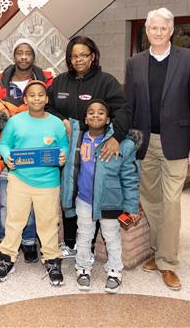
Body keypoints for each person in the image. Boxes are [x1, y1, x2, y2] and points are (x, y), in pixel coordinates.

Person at [125, 7, 190, 290]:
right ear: (147, 31)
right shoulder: (134, 62)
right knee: (151, 201)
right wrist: (127, 140)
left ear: (171, 31)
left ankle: (168, 263)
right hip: (145, 143)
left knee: (171, 203)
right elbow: (130, 105)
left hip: (178, 143)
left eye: (163, 28)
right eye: (153, 28)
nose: (158, 33)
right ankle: (159, 253)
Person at [46, 35, 130, 258]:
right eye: (74, 56)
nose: (78, 60)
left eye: (83, 55)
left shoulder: (106, 82)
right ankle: (71, 243)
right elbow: (50, 106)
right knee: (70, 193)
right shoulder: (60, 81)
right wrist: (62, 119)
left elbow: (123, 111)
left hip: (95, 148)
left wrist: (116, 138)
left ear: (93, 57)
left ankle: (89, 246)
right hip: (68, 146)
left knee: (90, 193)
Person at [0, 38, 54, 264]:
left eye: (28, 53)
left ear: (34, 57)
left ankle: (29, 242)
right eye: (19, 53)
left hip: (37, 152)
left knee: (33, 203)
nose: (24, 57)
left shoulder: (46, 81)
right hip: (9, 151)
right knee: (7, 203)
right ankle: (6, 242)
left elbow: (51, 112)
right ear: (14, 56)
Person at [0, 80, 68, 286]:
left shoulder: (56, 123)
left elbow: (63, 146)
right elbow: (5, 144)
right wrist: (8, 157)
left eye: (40, 95)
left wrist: (63, 156)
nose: (36, 98)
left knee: (48, 223)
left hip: (48, 182)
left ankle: (52, 260)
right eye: (32, 95)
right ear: (25, 99)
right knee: (15, 221)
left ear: (46, 98)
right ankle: (7, 258)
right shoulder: (15, 121)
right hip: (20, 180)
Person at [61, 99, 140, 293]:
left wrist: (131, 207)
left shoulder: (122, 145)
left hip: (110, 201)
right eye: (91, 112)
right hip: (84, 200)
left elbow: (130, 178)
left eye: (101, 112)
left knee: (111, 236)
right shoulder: (78, 139)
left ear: (108, 120)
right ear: (85, 119)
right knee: (84, 235)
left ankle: (114, 271)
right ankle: (83, 268)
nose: (96, 115)